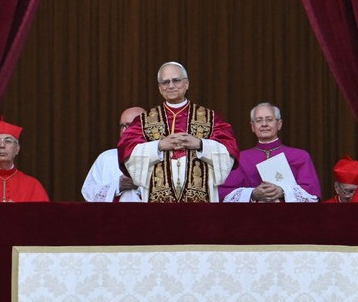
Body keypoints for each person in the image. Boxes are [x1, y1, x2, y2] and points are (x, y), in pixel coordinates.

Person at [117, 62, 238, 203]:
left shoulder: (209, 118)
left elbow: (229, 150)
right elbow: (127, 150)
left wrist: (200, 144)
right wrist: (159, 145)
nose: (171, 86)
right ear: (159, 88)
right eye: (165, 82)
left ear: (186, 84)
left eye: (176, 80)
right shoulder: (144, 121)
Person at [218, 102, 320, 202]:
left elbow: (312, 194)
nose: (264, 124)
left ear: (279, 124)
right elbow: (222, 193)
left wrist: (282, 191)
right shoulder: (240, 159)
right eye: (258, 120)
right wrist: (252, 194)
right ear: (252, 126)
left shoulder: (300, 156)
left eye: (269, 119)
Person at [81, 106, 147, 202]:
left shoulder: (160, 156)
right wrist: (118, 186)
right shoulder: (106, 158)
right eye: (122, 126)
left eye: (129, 125)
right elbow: (88, 193)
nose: (124, 131)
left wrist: (140, 185)